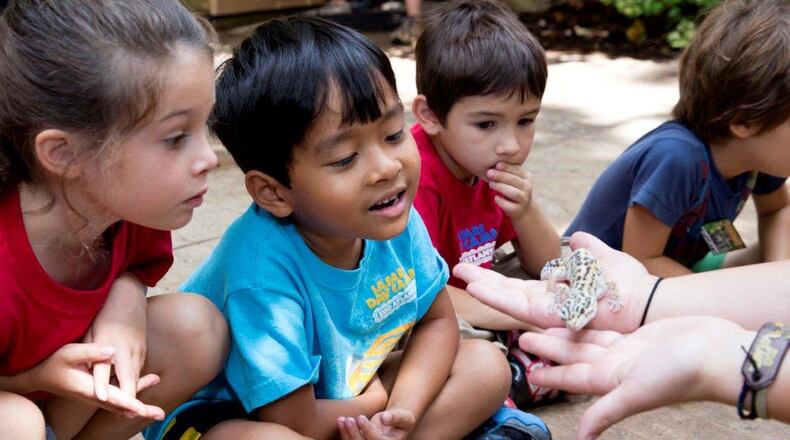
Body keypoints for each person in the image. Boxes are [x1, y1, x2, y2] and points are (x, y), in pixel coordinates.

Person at [144, 16, 552, 440]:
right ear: (274, 193)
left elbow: (436, 324)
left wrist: (402, 413)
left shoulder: (393, 217)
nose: (386, 167)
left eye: (393, 135)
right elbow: (292, 422)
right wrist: (376, 403)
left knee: (485, 365)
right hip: (230, 414)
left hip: (347, 391)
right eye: (344, 159)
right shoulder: (261, 273)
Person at [0, 1, 229, 439]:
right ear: (64, 154)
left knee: (195, 329)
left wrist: (125, 305)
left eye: (205, 127)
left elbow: (136, 265)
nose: (207, 160)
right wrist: (35, 378)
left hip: (62, 400)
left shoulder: (132, 206)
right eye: (176, 137)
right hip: (19, 404)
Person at [454, 231, 790, 439]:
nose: (576, 322)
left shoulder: (595, 294)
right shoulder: (578, 297)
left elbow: (606, 288)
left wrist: (634, 300)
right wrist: (645, 299)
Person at [565, 0, 790, 278]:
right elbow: (642, 261)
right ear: (744, 121)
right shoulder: (677, 158)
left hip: (677, 271)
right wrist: (723, 297)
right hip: (601, 280)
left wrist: (777, 275)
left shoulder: (758, 158)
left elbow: (777, 210)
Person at [412, 0, 560, 333]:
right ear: (430, 116)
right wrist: (528, 318)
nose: (511, 145)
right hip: (430, 309)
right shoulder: (415, 176)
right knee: (460, 341)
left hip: (477, 292)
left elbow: (549, 265)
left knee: (578, 268)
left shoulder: (485, 165)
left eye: (525, 121)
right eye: (486, 124)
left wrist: (525, 212)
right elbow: (419, 294)